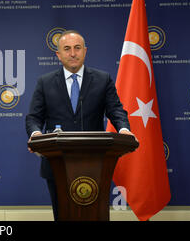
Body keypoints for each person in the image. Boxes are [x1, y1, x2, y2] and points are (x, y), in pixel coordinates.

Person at [25, 30, 134, 221]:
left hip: (96, 163)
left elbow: (116, 110)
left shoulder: (102, 79)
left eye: (77, 48)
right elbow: (34, 117)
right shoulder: (45, 82)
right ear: (58, 55)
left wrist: (124, 129)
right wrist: (35, 134)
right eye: (67, 49)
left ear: (85, 51)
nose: (73, 53)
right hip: (56, 163)